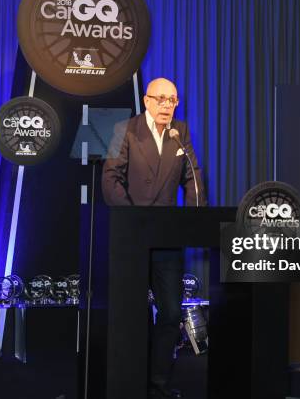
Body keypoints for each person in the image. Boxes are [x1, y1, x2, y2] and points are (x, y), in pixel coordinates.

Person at [101, 77, 206, 398]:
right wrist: (134, 221)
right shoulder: (127, 130)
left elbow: (193, 177)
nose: (166, 105)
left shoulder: (180, 132)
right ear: (146, 101)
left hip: (167, 241)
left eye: (172, 100)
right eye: (160, 99)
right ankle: (131, 380)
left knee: (172, 313)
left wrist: (191, 218)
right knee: (134, 314)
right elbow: (110, 179)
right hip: (132, 240)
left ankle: (158, 384)